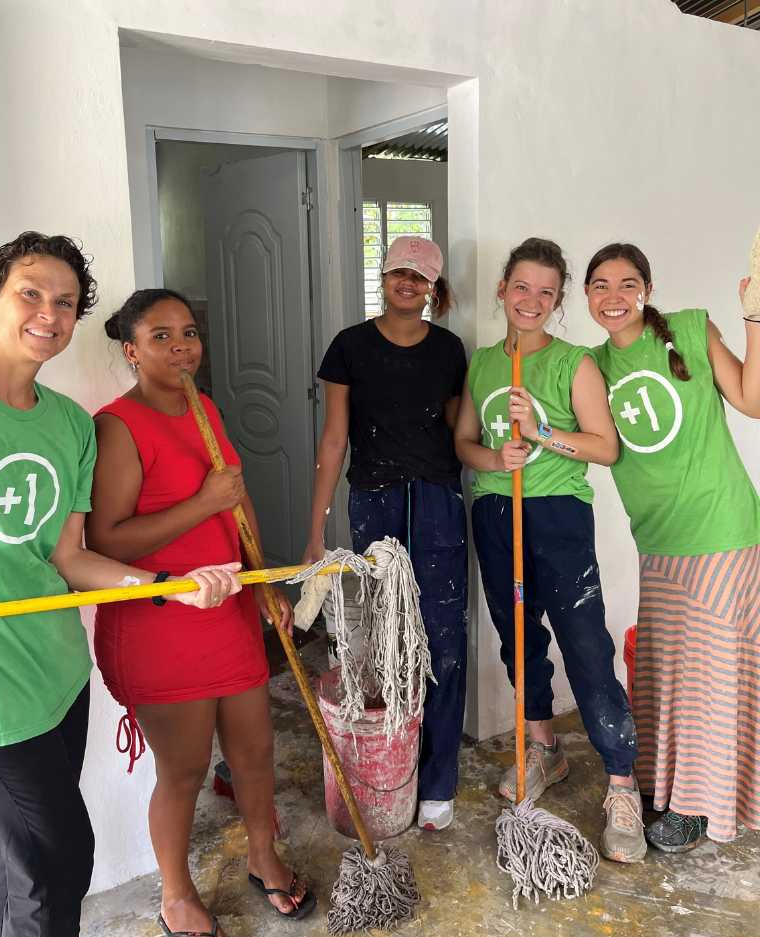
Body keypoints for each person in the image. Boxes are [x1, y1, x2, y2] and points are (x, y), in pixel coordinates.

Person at [0, 233, 241, 937]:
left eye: (64, 302)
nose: (48, 314)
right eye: (30, 292)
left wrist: (167, 587)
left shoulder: (66, 425)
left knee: (17, 856)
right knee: (58, 863)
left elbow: (73, 557)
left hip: (55, 674)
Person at [86, 289, 314, 937]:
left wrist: (262, 579)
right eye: (161, 336)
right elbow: (108, 541)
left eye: (188, 333)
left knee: (256, 750)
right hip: (160, 621)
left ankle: (262, 857)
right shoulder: (117, 425)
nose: (181, 346)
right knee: (183, 772)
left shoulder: (204, 407)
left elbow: (233, 508)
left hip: (229, 607)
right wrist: (202, 500)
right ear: (130, 350)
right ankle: (177, 895)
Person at [455, 237, 644, 862]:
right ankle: (544, 747)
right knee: (519, 636)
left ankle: (621, 781)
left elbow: (605, 447)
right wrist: (495, 456)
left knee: (585, 640)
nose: (530, 300)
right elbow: (465, 443)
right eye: (521, 287)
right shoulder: (483, 363)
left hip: (557, 514)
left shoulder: (572, 364)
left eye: (545, 291)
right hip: (493, 508)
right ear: (502, 290)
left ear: (557, 300)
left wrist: (540, 435)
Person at [585, 242, 760, 853]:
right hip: (657, 537)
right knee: (666, 673)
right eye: (600, 285)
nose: (614, 297)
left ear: (648, 289)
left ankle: (699, 808)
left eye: (627, 283)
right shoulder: (591, 366)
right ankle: (671, 787)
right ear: (585, 297)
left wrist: (755, 317)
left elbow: (752, 400)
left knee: (713, 678)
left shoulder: (688, 328)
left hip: (721, 527)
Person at [304, 235, 468, 832]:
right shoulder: (350, 347)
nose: (408, 282)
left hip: (438, 502)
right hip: (373, 501)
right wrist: (317, 531)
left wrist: (504, 445)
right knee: (382, 637)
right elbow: (333, 439)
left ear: (433, 287)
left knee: (444, 642)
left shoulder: (449, 350)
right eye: (399, 271)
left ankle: (438, 778)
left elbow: (460, 429)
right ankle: (390, 761)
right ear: (384, 276)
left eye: (420, 276)